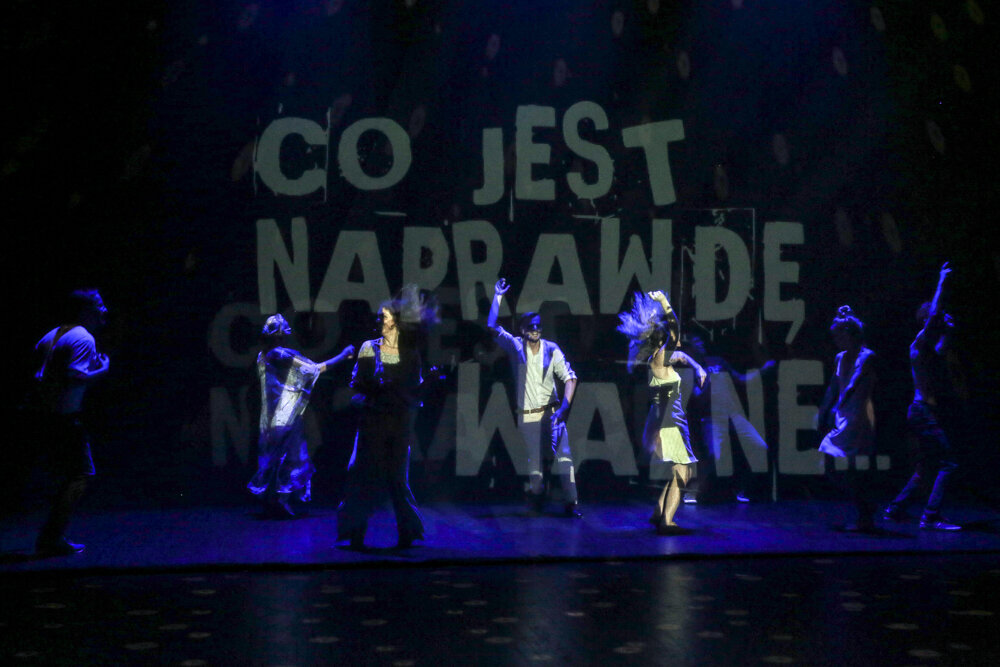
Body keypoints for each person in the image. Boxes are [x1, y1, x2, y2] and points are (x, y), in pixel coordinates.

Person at [337, 286, 437, 548]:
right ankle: (355, 534)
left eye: (383, 317)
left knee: (396, 479)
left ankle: (407, 532)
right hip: (372, 421)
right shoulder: (368, 348)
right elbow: (356, 384)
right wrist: (375, 387)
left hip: (398, 423)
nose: (378, 321)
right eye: (379, 317)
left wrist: (428, 382)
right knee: (360, 475)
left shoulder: (409, 353)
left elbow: (414, 392)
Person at [487, 278, 581, 517]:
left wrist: (565, 408)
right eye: (531, 326)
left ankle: (571, 503)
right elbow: (492, 326)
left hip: (552, 413)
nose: (536, 329)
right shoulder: (516, 346)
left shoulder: (552, 349)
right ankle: (537, 497)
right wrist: (498, 296)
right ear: (522, 330)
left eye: (539, 325)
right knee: (534, 463)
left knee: (564, 458)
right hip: (528, 415)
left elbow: (570, 378)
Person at [248, 314, 354, 518]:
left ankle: (274, 501)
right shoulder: (278, 354)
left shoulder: (263, 355)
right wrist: (342, 356)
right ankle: (280, 501)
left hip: (271, 416)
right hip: (283, 416)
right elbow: (313, 369)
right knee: (289, 457)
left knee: (275, 457)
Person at [29, 289, 111, 556]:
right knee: (80, 474)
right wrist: (102, 370)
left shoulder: (51, 335)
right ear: (86, 310)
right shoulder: (84, 338)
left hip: (42, 416)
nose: (104, 310)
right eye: (99, 305)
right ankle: (51, 539)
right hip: (64, 419)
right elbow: (74, 377)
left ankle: (50, 537)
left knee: (61, 475)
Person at [618, 290, 706, 534]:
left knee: (679, 470)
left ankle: (659, 512)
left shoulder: (656, 359)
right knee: (684, 470)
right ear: (660, 340)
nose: (673, 339)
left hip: (664, 418)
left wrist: (698, 367)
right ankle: (667, 522)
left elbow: (682, 355)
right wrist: (665, 302)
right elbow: (675, 329)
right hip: (671, 420)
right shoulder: (660, 359)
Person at [884, 263, 962, 531]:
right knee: (949, 462)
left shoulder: (928, 347)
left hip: (924, 412)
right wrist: (942, 280)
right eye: (938, 316)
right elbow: (935, 313)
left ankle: (895, 508)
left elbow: (940, 350)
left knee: (926, 465)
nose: (943, 316)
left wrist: (949, 331)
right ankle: (930, 516)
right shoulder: (918, 342)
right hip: (922, 411)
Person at [685, 334, 772, 504]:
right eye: (695, 342)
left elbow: (740, 379)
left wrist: (762, 370)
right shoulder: (689, 371)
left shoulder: (717, 361)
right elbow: (697, 398)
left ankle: (743, 488)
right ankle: (696, 489)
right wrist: (707, 382)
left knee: (760, 447)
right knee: (715, 457)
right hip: (712, 419)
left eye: (700, 340)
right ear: (688, 349)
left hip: (734, 414)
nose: (700, 343)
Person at [816, 306, 878, 531]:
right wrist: (824, 411)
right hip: (843, 417)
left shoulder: (867, 355)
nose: (836, 340)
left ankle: (865, 511)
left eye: (839, 335)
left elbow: (854, 382)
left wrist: (838, 405)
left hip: (858, 419)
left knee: (847, 467)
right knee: (833, 466)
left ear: (851, 334)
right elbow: (833, 387)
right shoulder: (839, 358)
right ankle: (865, 507)